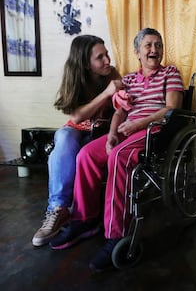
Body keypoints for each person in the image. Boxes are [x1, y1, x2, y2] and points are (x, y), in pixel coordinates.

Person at [49, 28, 184, 272]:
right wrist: (112, 134)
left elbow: (171, 108)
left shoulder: (170, 73)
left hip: (154, 130)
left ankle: (116, 235)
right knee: (87, 154)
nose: (154, 50)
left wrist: (138, 124)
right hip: (125, 129)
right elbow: (120, 112)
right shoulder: (129, 80)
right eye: (148, 45)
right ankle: (84, 219)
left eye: (158, 45)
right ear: (137, 52)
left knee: (120, 157)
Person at [32, 35, 123, 247]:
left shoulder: (113, 74)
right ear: (85, 63)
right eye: (100, 57)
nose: (107, 60)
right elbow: (76, 117)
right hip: (77, 129)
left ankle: (80, 214)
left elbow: (122, 108)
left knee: (79, 145)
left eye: (106, 54)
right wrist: (107, 93)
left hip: (103, 131)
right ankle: (58, 209)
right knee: (63, 137)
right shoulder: (74, 77)